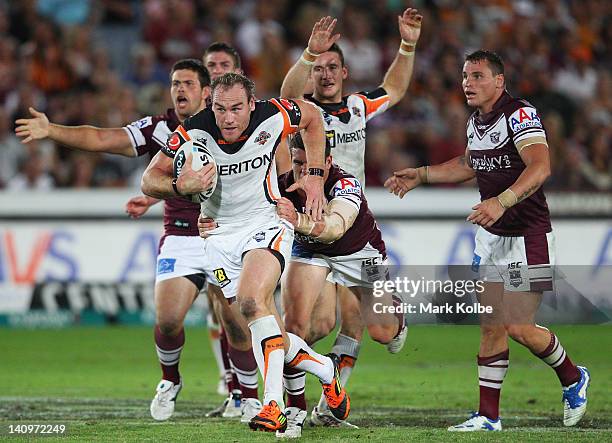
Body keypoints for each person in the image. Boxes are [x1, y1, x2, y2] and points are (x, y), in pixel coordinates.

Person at [14, 58, 259, 422]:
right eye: (175, 83)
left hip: (227, 234)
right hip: (181, 235)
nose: (179, 90)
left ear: (207, 93)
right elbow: (102, 137)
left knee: (237, 323)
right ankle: (170, 380)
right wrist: (53, 131)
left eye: (188, 83)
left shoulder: (232, 125)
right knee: (169, 319)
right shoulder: (162, 130)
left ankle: (247, 396)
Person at [385, 50, 590, 431]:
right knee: (492, 324)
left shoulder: (520, 114)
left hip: (528, 236)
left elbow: (541, 166)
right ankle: (488, 417)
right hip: (491, 237)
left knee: (519, 327)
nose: (467, 82)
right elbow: (468, 164)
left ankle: (574, 377)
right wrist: (423, 174)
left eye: (478, 75)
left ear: (500, 81)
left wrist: (502, 200)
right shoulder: (476, 121)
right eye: (465, 76)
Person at [142, 72, 349, 433]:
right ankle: (324, 369)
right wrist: (179, 185)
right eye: (221, 109)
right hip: (218, 237)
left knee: (254, 302)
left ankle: (273, 407)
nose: (229, 117)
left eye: (237, 108)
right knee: (261, 324)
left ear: (251, 105)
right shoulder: (194, 130)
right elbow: (149, 179)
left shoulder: (273, 114)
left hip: (266, 222)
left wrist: (315, 175)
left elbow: (313, 116)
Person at [278, 9, 421, 426]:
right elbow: (286, 91)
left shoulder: (358, 107)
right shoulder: (299, 113)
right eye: (318, 68)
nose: (324, 74)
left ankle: (392, 322)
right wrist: (309, 52)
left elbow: (393, 88)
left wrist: (407, 45)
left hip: (352, 222)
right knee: (309, 324)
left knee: (371, 329)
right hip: (312, 223)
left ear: (344, 71)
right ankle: (301, 406)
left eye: (331, 67)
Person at [274, 133, 405, 437]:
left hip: (358, 252)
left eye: (311, 166)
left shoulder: (345, 185)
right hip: (309, 250)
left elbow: (335, 229)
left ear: (328, 163)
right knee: (297, 328)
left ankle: (395, 308)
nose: (304, 173)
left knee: (383, 332)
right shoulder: (281, 185)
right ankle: (294, 408)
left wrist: (299, 221)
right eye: (297, 164)